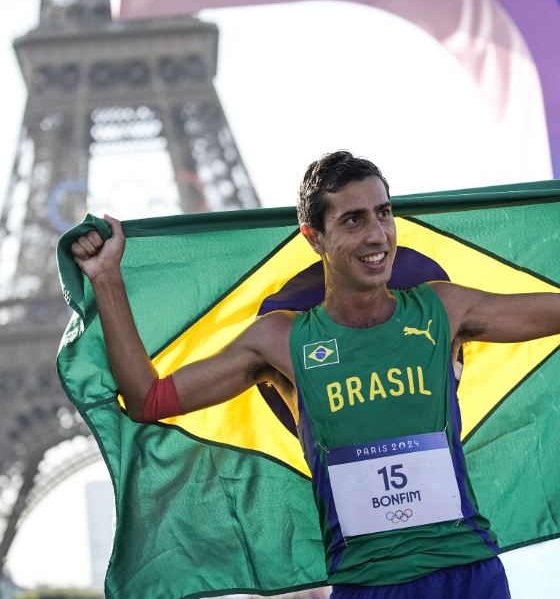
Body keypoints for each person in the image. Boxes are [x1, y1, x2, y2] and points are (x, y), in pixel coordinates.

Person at [71, 151, 560, 598]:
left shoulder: (444, 308)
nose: (377, 235)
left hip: (468, 571)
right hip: (367, 584)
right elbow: (147, 400)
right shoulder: (280, 341)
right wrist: (107, 278)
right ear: (314, 236)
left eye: (384, 213)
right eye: (353, 220)